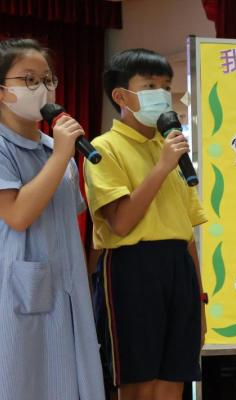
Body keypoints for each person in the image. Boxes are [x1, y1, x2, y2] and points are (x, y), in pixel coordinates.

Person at [84, 48, 207, 400]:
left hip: (179, 268)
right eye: (150, 85)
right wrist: (162, 167)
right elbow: (121, 222)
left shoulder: (169, 148)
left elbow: (187, 234)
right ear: (121, 96)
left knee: (174, 379)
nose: (162, 94)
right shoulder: (103, 148)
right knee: (139, 381)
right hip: (132, 269)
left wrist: (199, 298)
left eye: (166, 86)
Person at [0, 38, 104, 399]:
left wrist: (60, 153)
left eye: (47, 79)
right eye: (29, 80)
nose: (42, 88)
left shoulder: (54, 148)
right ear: (2, 91)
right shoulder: (10, 147)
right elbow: (17, 215)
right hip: (18, 290)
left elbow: (69, 219)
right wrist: (61, 155)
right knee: (22, 381)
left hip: (68, 286)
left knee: (71, 382)